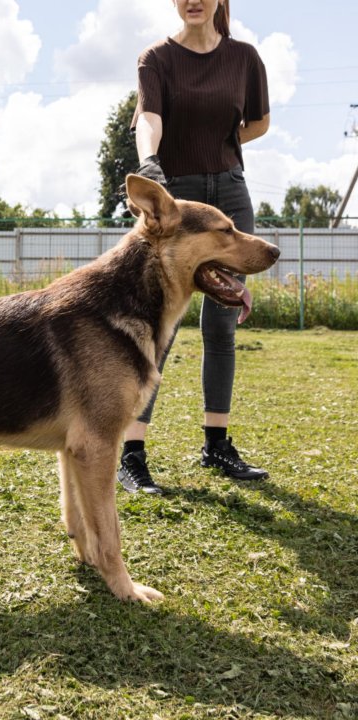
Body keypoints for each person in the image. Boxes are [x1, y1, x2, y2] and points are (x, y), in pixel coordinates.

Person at [119, 0, 271, 495]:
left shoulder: (244, 58)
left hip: (229, 192)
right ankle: (133, 453)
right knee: (158, 322)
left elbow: (259, 122)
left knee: (222, 321)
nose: (193, 0)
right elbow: (149, 119)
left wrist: (223, 145)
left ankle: (217, 444)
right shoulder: (157, 59)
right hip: (177, 197)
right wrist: (150, 163)